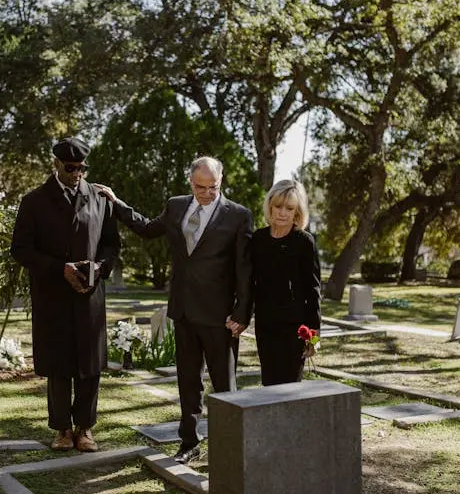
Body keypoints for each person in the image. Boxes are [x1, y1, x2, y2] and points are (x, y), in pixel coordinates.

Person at [95, 157, 253, 464]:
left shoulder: (239, 216)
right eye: (200, 187)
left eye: (213, 187)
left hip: (220, 317)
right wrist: (116, 203)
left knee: (224, 385)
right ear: (190, 182)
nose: (207, 193)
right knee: (188, 382)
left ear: (222, 181)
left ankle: (229, 449)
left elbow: (245, 269)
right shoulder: (176, 206)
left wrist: (242, 313)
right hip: (183, 310)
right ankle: (189, 443)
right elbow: (146, 228)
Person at [11, 137, 120, 453]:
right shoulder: (34, 201)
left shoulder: (100, 199)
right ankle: (61, 429)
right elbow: (21, 249)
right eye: (71, 168)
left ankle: (85, 428)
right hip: (53, 295)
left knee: (89, 364)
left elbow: (112, 244)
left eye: (82, 168)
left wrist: (99, 268)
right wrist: (60, 268)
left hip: (89, 295)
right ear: (56, 164)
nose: (77, 174)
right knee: (59, 364)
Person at [251, 179, 321, 386]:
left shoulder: (304, 241)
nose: (282, 212)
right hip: (265, 327)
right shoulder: (258, 239)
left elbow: (313, 292)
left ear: (297, 212)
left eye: (289, 208)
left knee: (290, 389)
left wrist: (314, 339)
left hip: (295, 331)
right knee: (269, 385)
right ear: (270, 206)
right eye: (278, 206)